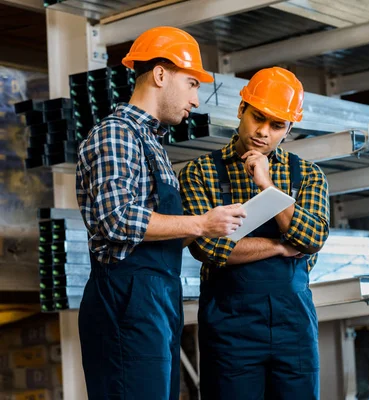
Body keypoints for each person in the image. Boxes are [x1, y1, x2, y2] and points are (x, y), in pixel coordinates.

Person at [75, 26, 246, 400]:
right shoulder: (116, 135)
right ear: (160, 74)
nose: (196, 100)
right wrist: (201, 222)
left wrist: (211, 227)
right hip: (127, 298)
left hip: (156, 298)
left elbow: (156, 229)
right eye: (191, 84)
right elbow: (117, 218)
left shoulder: (151, 144)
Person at [179, 66, 330, 399]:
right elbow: (209, 249)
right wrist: (279, 247)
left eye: (277, 125)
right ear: (240, 110)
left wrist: (267, 185)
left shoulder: (307, 174)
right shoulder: (200, 172)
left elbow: (313, 238)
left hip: (294, 331)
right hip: (231, 332)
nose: (263, 132)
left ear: (288, 129)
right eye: (257, 118)